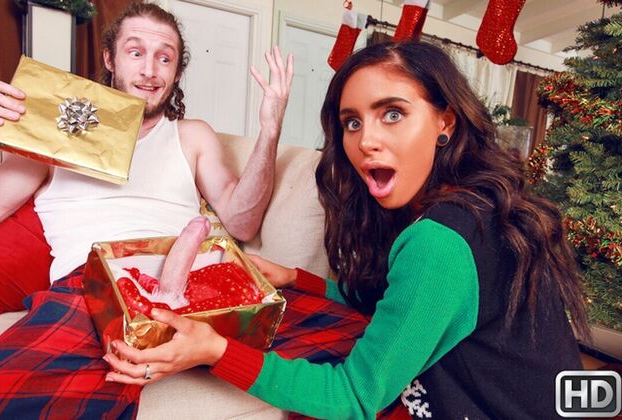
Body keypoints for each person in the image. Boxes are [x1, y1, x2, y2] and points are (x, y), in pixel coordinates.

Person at [104, 41, 590, 419]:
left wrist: (214, 350)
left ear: (445, 121)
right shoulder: (473, 205)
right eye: (352, 122)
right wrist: (298, 279)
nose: (366, 141)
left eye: (393, 114)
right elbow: (401, 307)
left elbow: (354, 397)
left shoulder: (439, 242)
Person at [0, 2, 292, 417]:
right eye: (135, 52)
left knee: (341, 352)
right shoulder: (54, 136)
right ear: (109, 59)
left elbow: (243, 222)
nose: (150, 70)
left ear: (176, 72)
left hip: (195, 285)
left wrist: (270, 129)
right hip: (90, 291)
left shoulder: (192, 136)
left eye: (164, 58)